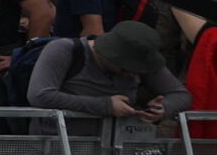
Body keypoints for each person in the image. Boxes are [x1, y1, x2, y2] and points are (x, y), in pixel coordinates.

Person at [27, 21, 194, 127]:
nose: (132, 74)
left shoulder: (143, 57)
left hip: (115, 150)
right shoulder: (64, 50)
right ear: (107, 54)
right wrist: (106, 106)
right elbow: (39, 95)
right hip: (57, 149)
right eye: (126, 68)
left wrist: (161, 109)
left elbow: (181, 95)